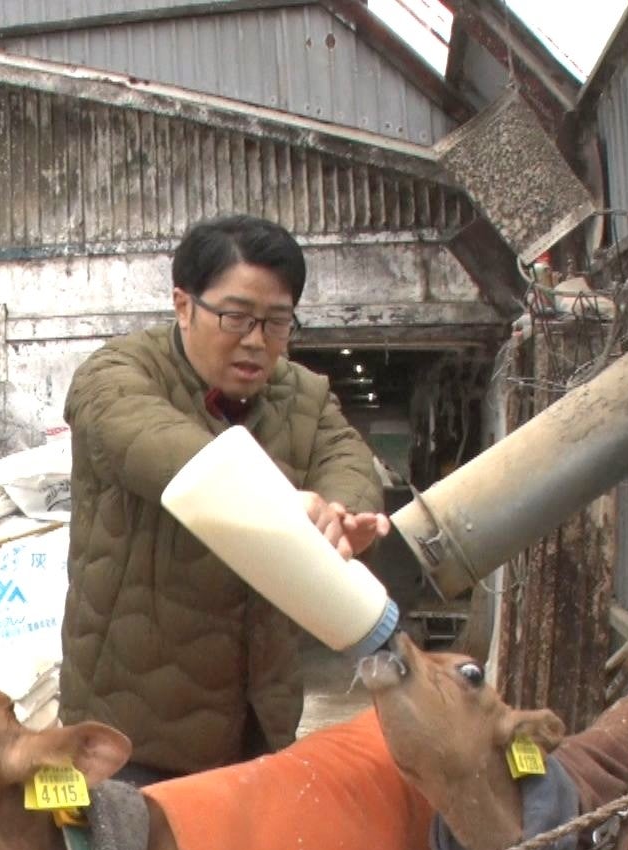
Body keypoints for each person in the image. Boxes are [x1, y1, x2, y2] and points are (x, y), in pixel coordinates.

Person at [59, 213, 389, 784]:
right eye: (235, 317)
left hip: (258, 721)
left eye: (276, 322)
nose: (256, 341)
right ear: (184, 305)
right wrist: (285, 505)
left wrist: (340, 513)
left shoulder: (301, 395)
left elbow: (347, 458)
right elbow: (165, 449)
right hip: (131, 731)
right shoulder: (116, 375)